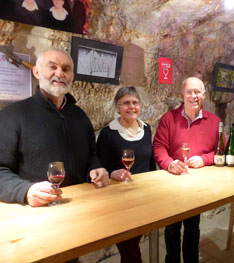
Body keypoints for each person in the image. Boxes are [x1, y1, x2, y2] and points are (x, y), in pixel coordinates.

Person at [0, 48, 109, 207]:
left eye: (66, 69)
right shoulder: (12, 116)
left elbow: (91, 155)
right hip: (37, 212)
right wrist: (25, 191)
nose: (60, 73)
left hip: (82, 207)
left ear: (72, 77)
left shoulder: (80, 116)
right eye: (52, 67)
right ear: (37, 72)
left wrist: (95, 169)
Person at [153, 77, 221, 263]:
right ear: (182, 95)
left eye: (197, 92)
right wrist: (169, 163)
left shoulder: (215, 121)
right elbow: (159, 147)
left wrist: (205, 159)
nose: (194, 96)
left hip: (197, 186)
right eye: (189, 92)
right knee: (172, 228)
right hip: (172, 184)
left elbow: (221, 151)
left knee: (193, 227)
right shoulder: (168, 118)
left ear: (204, 96)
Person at [96, 86, 155, 263]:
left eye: (135, 103)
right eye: (126, 103)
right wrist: (112, 173)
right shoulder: (108, 133)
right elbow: (98, 165)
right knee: (129, 246)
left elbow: (150, 164)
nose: (131, 107)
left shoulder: (146, 129)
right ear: (117, 107)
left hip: (144, 196)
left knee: (133, 242)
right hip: (119, 199)